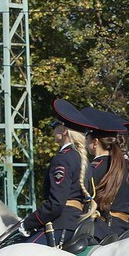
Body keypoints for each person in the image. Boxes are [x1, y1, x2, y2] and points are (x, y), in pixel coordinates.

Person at [18, 100, 97, 247]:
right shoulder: (82, 159)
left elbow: (55, 204)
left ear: (64, 130)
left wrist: (28, 223)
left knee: (17, 252)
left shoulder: (63, 158)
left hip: (60, 223)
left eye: (55, 126)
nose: (53, 130)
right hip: (77, 223)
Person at [80, 108, 129, 238]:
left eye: (87, 137)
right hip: (126, 229)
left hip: (101, 230)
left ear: (95, 142)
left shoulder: (93, 168)